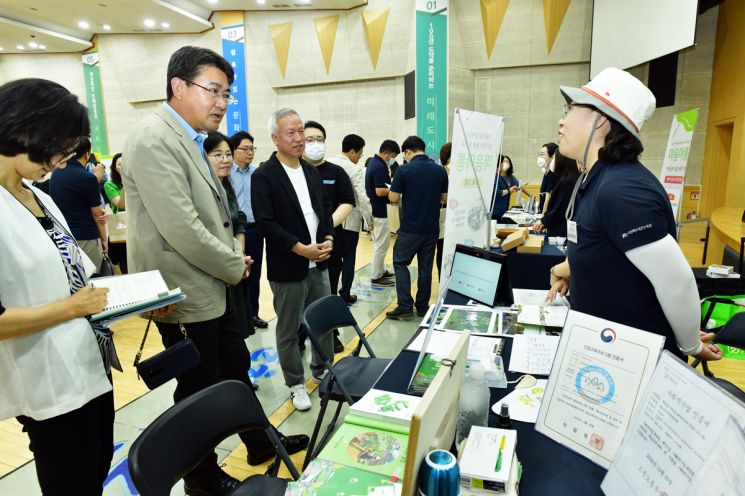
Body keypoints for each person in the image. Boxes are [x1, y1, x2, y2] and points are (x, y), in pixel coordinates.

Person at [122, 47, 307, 495]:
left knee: (235, 367)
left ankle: (260, 442)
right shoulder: (153, 138)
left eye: (227, 93)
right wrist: (232, 264)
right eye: (214, 91)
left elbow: (214, 216)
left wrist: (230, 258)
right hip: (184, 295)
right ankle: (201, 477)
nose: (222, 102)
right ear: (178, 87)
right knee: (198, 390)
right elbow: (181, 226)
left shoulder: (187, 138)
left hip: (211, 284)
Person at [547, 67, 722, 364]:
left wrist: (690, 344)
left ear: (600, 119)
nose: (561, 121)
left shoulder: (623, 190)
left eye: (570, 110)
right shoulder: (596, 178)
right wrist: (568, 269)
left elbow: (676, 281)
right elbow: (604, 246)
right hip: (603, 349)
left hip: (628, 361)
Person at [0, 78, 114, 496]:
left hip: (87, 359)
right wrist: (71, 308)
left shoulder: (37, 194)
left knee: (96, 465)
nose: (63, 160)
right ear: (25, 131)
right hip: (46, 378)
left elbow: (74, 271)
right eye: (60, 147)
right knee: (71, 479)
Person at [251, 108, 335, 412]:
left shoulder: (310, 171)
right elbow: (266, 223)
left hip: (319, 262)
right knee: (288, 330)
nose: (300, 138)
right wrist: (300, 248)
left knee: (323, 324)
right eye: (292, 133)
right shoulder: (265, 176)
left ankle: (323, 370)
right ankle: (296, 383)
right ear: (275, 138)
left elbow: (324, 209)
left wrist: (329, 238)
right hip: (289, 266)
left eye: (301, 131)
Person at [303, 120, 355, 354]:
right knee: (301, 295)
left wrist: (326, 228)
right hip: (300, 246)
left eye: (319, 140)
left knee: (329, 292)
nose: (315, 144)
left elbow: (347, 202)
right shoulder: (296, 172)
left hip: (331, 242)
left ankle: (329, 334)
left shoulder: (336, 172)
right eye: (309, 139)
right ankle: (300, 334)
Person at [204, 132, 258, 360]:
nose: (225, 159)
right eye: (217, 155)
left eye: (227, 154)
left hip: (234, 265)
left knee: (237, 329)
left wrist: (241, 256)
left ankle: (238, 377)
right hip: (215, 272)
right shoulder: (203, 190)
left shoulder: (227, 187)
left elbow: (239, 220)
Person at [386, 136, 448, 320]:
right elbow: (444, 199)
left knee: (400, 262)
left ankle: (405, 305)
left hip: (411, 228)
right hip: (431, 228)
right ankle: (422, 306)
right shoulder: (439, 170)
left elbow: (393, 198)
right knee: (425, 268)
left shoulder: (404, 170)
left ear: (408, 152)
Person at [228, 130, 269, 329]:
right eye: (245, 149)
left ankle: (253, 313)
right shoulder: (225, 174)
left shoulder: (257, 174)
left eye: (252, 148)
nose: (249, 152)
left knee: (254, 274)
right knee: (235, 273)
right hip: (233, 231)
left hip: (255, 230)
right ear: (233, 151)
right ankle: (236, 316)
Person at [49, 137, 108, 271]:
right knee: (93, 280)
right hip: (86, 237)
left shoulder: (56, 174)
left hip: (63, 238)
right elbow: (98, 214)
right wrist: (104, 239)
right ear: (87, 154)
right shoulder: (87, 178)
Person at [327, 133, 372, 304]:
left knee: (331, 259)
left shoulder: (328, 163)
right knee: (349, 257)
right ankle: (345, 293)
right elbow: (362, 197)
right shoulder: (353, 169)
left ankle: (329, 294)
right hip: (348, 220)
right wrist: (370, 220)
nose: (360, 157)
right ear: (352, 151)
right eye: (360, 154)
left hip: (327, 220)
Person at [365, 139, 400, 286]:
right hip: (380, 210)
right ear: (385, 153)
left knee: (380, 244)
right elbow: (380, 191)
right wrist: (395, 190)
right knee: (381, 244)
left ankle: (380, 270)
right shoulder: (379, 167)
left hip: (376, 209)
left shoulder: (375, 163)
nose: (392, 159)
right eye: (392, 156)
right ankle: (376, 276)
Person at [533, 150, 579, 237]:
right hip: (563, 227)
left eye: (554, 158)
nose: (552, 161)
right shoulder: (569, 178)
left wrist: (543, 221)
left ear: (562, 160)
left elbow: (559, 207)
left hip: (560, 229)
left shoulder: (565, 181)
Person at [104, 152, 128, 273]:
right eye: (119, 164)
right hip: (122, 228)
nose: (123, 166)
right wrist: (126, 183)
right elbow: (121, 205)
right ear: (114, 167)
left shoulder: (138, 180)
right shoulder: (109, 185)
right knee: (125, 262)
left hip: (139, 225)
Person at [436, 142, 452, 278]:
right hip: (444, 213)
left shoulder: (457, 171)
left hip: (455, 214)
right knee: (442, 247)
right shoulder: (442, 171)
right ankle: (443, 278)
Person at [490, 154, 520, 221]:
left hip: (502, 212)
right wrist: (509, 190)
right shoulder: (494, 177)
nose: (503, 165)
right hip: (495, 213)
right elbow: (497, 193)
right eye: (502, 163)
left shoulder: (500, 177)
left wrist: (510, 190)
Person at [537, 142, 557, 213]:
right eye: (540, 154)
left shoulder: (552, 174)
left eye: (543, 154)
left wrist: (543, 217)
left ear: (552, 157)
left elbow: (548, 199)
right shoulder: (546, 173)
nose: (540, 157)